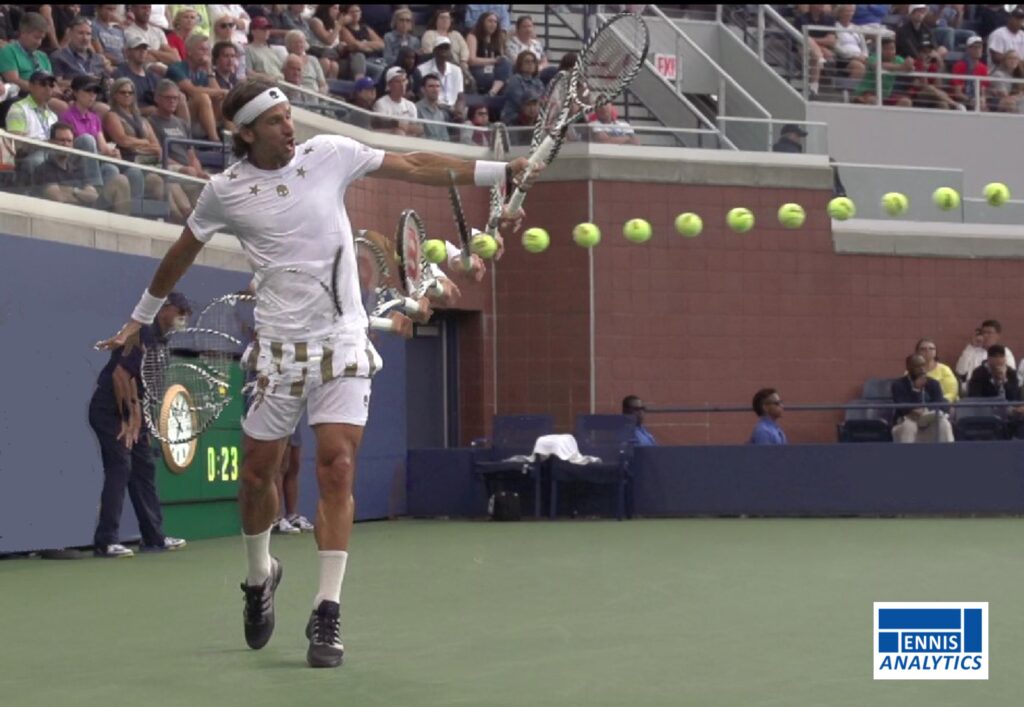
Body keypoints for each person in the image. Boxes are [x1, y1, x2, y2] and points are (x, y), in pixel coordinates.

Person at [94, 77, 531, 668]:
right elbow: (180, 252)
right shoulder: (224, 192)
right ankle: (259, 576)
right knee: (256, 480)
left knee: (338, 466)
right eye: (274, 120)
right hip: (277, 349)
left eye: (287, 114)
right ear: (246, 132)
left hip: (343, 341)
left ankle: (327, 611)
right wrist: (138, 318)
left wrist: (494, 171)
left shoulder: (329, 155)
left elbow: (414, 161)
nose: (289, 126)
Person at [91, 291, 190, 557]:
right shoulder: (142, 333)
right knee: (120, 466)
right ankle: (106, 541)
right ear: (164, 308)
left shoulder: (161, 341)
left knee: (144, 469)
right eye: (180, 311)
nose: (184, 317)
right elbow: (121, 375)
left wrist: (141, 423)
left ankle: (154, 538)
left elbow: (144, 387)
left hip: (134, 414)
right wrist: (128, 419)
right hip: (110, 412)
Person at [35, 121, 132, 214]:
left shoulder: (77, 168)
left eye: (69, 141)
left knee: (121, 180)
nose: (66, 144)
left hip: (92, 212)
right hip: (65, 215)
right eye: (61, 140)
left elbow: (93, 196)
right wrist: (83, 195)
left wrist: (73, 191)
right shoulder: (44, 169)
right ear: (51, 142)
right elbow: (58, 198)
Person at [167, 33, 226, 141]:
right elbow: (192, 90)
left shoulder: (203, 73)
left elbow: (218, 93)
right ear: (189, 51)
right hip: (180, 117)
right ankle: (215, 141)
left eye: (207, 50)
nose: (206, 54)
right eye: (202, 50)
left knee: (223, 100)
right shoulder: (176, 68)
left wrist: (209, 71)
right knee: (202, 97)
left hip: (203, 118)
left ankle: (234, 141)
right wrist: (223, 91)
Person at [6, 70, 59, 180]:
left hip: (51, 156)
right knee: (40, 160)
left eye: (51, 85)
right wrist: (44, 144)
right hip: (28, 158)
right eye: (43, 84)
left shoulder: (53, 116)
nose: (48, 88)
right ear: (31, 86)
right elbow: (16, 145)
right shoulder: (18, 109)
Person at [892, 354, 953, 443]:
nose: (922, 369)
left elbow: (940, 403)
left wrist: (927, 410)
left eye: (923, 365)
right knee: (909, 426)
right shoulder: (898, 385)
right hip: (907, 421)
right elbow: (902, 407)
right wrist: (916, 390)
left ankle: (949, 454)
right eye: (917, 366)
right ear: (909, 368)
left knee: (944, 424)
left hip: (928, 421)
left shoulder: (933, 383)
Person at [273, 422, 314, 533]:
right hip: (278, 414)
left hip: (294, 415)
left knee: (293, 466)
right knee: (281, 466)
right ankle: (276, 518)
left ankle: (291, 516)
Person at [51, 16, 111, 86]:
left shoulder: (99, 59)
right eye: (81, 33)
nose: (85, 38)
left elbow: (108, 82)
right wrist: (85, 81)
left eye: (88, 34)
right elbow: (56, 83)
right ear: (70, 33)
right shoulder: (58, 56)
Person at [415, 38, 465, 115]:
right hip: (433, 107)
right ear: (434, 51)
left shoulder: (456, 70)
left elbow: (460, 95)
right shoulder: (422, 69)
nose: (444, 51)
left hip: (453, 108)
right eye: (441, 48)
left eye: (446, 48)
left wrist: (459, 111)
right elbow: (421, 95)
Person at [467, 12, 510, 96]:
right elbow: (471, 60)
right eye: (490, 21)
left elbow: (501, 59)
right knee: (501, 80)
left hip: (494, 71)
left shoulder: (498, 38)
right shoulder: (472, 36)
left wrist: (500, 60)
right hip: (478, 70)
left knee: (506, 63)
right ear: (482, 22)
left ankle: (492, 92)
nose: (493, 24)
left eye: (495, 22)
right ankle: (493, 92)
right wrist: (493, 61)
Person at [373, 66, 421, 136]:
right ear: (389, 84)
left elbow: (416, 130)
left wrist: (400, 126)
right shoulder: (381, 104)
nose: (402, 85)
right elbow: (383, 126)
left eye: (404, 81)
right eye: (397, 82)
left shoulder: (411, 105)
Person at [500, 51, 544, 125]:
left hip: (534, 118)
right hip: (514, 119)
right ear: (520, 64)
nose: (531, 64)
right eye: (527, 61)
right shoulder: (514, 80)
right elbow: (522, 102)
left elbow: (543, 101)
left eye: (533, 61)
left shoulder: (538, 82)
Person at [915, 338, 959, 403]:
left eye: (931, 348)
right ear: (917, 352)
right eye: (923, 349)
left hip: (943, 405)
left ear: (936, 351)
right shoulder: (911, 371)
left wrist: (938, 403)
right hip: (918, 406)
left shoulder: (945, 370)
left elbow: (952, 392)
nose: (927, 351)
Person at [246, 16, 285, 81]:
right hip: (264, 85)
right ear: (253, 31)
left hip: (280, 83)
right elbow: (248, 73)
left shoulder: (271, 50)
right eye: (263, 29)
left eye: (268, 29)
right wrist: (267, 78)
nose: (266, 31)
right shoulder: (248, 50)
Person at [416, 73, 450, 141]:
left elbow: (445, 138)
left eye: (437, 86)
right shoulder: (416, 109)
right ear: (423, 89)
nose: (435, 89)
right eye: (431, 86)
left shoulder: (440, 113)